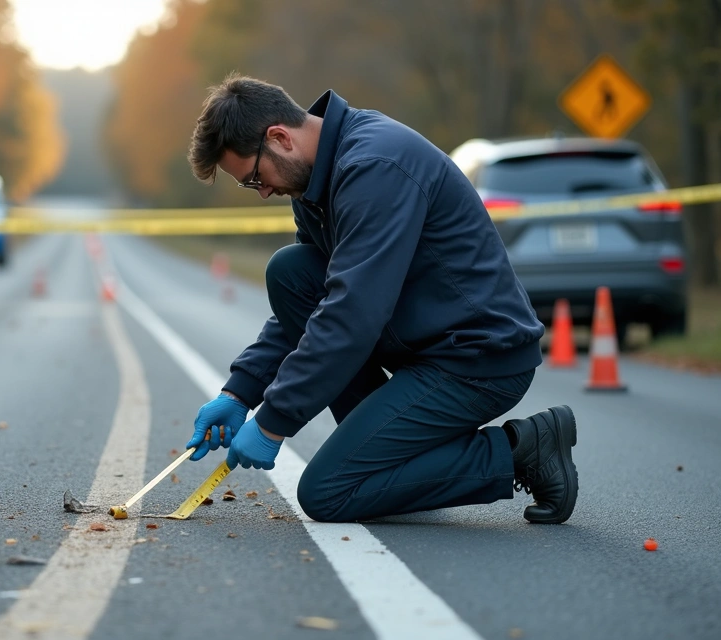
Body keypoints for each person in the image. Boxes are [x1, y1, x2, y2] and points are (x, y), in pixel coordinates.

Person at [183, 74, 579, 524]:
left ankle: (522, 449)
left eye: (255, 178)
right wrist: (241, 391)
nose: (264, 191)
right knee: (291, 271)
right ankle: (394, 459)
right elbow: (315, 301)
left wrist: (274, 421)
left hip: (476, 360)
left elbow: (351, 313)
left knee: (326, 492)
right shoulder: (315, 182)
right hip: (424, 348)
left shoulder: (375, 166)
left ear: (279, 137)